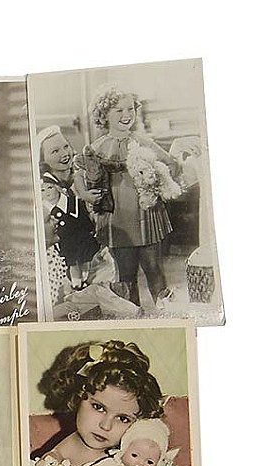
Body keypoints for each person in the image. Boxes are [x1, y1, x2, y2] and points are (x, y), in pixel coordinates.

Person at [30, 339, 192, 466]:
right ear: (77, 398)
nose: (106, 426)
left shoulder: (141, 456)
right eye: (98, 407)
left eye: (123, 418)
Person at [81, 86, 182, 308]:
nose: (126, 115)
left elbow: (171, 164)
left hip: (146, 217)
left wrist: (159, 175)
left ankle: (168, 314)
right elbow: (82, 177)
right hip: (118, 220)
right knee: (125, 276)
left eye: (130, 109)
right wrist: (87, 194)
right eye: (119, 110)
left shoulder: (144, 142)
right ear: (104, 115)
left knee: (154, 269)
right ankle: (133, 316)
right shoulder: (97, 148)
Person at [38, 125, 101, 289]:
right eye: (55, 151)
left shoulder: (79, 175)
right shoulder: (46, 187)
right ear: (43, 160)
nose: (64, 153)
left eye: (66, 146)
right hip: (62, 248)